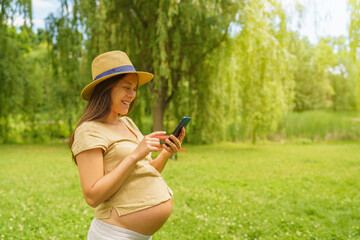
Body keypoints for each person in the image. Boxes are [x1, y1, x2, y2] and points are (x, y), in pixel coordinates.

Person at [69, 50, 185, 240]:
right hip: (114, 235)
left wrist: (166, 153)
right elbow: (92, 196)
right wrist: (134, 155)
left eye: (135, 89)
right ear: (105, 89)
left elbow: (145, 170)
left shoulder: (127, 123)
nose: (132, 95)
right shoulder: (88, 131)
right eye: (127, 87)